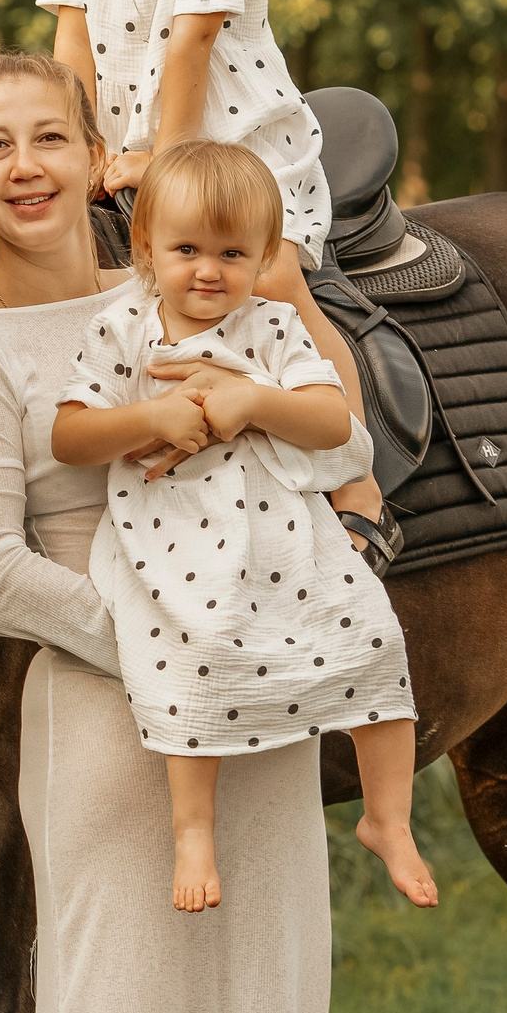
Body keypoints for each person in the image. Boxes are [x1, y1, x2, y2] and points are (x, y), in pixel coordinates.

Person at [0, 50, 374, 1013]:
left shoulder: (196, 282)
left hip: (256, 710)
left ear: (95, 157)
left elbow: (343, 449)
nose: (25, 166)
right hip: (107, 716)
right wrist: (180, 645)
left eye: (48, 138)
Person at [40, 0, 396, 571]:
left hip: (235, 144)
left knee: (271, 278)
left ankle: (358, 477)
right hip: (129, 144)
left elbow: (191, 43)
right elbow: (72, 34)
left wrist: (163, 163)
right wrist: (76, 140)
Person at [49, 140, 434, 914]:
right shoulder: (124, 328)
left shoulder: (274, 325)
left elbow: (333, 423)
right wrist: (151, 418)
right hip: (175, 535)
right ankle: (193, 828)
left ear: (262, 256)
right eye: (187, 249)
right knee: (192, 654)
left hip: (285, 531)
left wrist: (254, 398)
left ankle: (388, 818)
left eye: (232, 253)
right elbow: (69, 435)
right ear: (147, 246)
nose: (209, 270)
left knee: (374, 637)